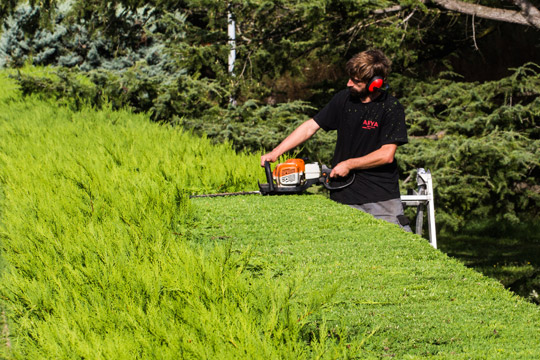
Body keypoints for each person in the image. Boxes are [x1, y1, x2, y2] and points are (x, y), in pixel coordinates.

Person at [260, 49, 411, 231]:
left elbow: (386, 155)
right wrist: (276, 152)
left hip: (381, 200)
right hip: (343, 196)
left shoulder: (390, 108)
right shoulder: (343, 99)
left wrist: (349, 164)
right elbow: (311, 127)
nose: (348, 84)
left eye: (355, 81)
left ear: (374, 84)